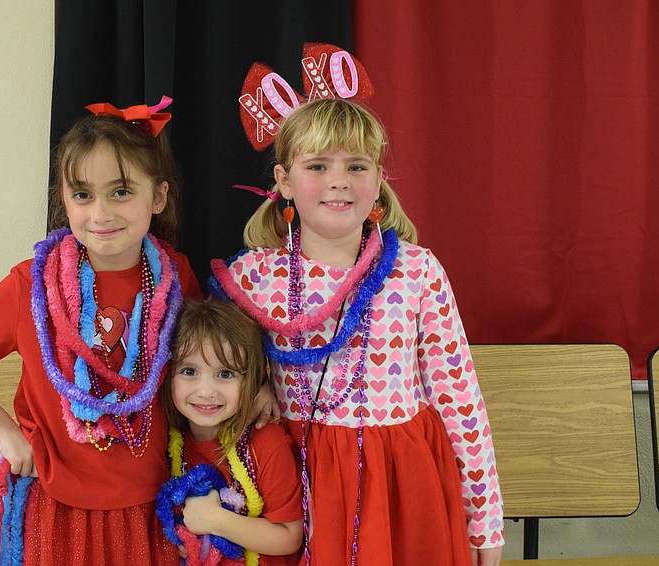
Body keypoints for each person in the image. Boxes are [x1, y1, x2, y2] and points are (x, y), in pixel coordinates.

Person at [210, 98, 504, 566]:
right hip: (298, 486)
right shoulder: (251, 278)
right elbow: (215, 371)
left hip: (402, 488)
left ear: (379, 181)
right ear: (284, 181)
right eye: (318, 165)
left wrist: (484, 524)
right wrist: (257, 382)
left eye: (357, 165)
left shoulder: (416, 271)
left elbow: (460, 401)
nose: (339, 180)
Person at [0, 98, 204, 564]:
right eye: (83, 195)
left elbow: (202, 367)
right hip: (51, 507)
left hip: (150, 504)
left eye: (121, 192)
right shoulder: (29, 285)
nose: (101, 213)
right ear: (64, 201)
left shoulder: (175, 278)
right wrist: (3, 430)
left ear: (158, 196)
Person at [158, 298, 303, 565]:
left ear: (253, 379)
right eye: (189, 371)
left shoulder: (267, 444)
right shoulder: (166, 443)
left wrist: (215, 520)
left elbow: (290, 536)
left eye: (225, 374)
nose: (205, 391)